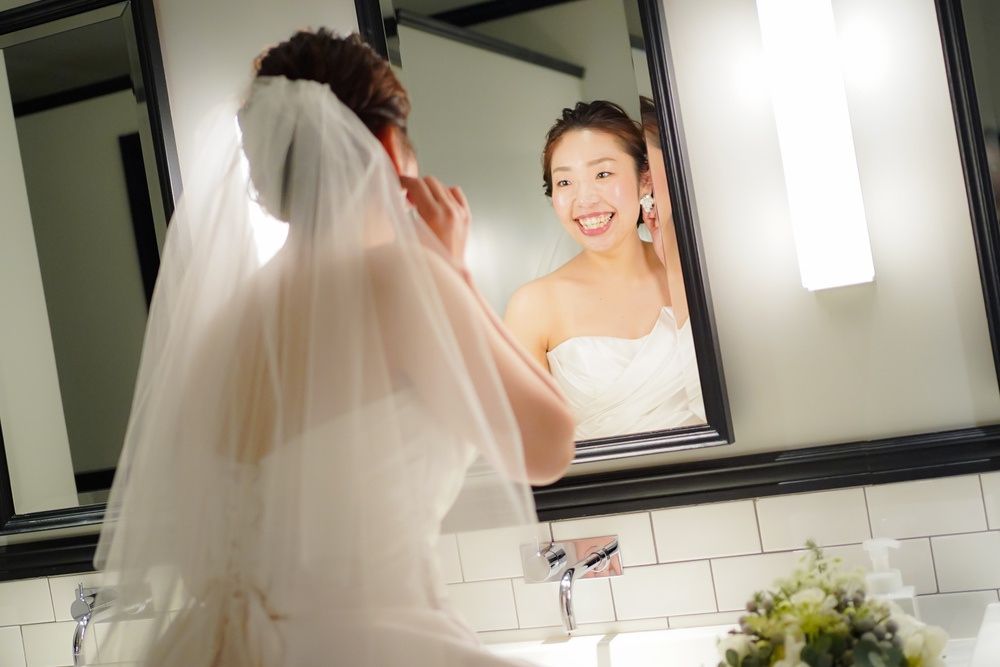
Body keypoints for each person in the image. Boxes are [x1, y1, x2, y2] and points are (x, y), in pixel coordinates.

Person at [89, 30, 574, 666]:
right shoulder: (399, 281)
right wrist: (453, 275)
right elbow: (548, 444)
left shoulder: (221, 328)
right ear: (388, 148)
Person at [504, 101, 704, 441]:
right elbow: (531, 446)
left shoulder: (693, 276)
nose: (584, 200)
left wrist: (676, 267)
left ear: (645, 180)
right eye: (565, 182)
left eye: (603, 174)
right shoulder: (533, 306)